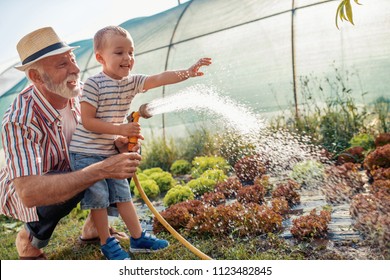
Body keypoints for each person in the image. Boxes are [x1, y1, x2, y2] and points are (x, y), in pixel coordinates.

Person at [0, 27, 146, 260]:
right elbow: (29, 192)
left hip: (75, 164)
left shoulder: (81, 94)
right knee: (86, 168)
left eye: (73, 60)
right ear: (36, 77)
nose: (76, 69)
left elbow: (103, 135)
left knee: (123, 151)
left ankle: (93, 228)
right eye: (62, 65)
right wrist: (102, 168)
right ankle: (28, 240)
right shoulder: (20, 119)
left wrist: (118, 143)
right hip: (28, 185)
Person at [68, 25, 212, 260]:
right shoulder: (93, 84)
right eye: (119, 52)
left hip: (109, 150)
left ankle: (138, 238)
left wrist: (187, 72)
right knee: (99, 199)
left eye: (131, 52)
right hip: (86, 153)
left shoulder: (132, 82)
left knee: (123, 194)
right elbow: (88, 121)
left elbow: (158, 78)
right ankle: (106, 242)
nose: (127, 58)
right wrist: (120, 129)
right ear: (100, 58)